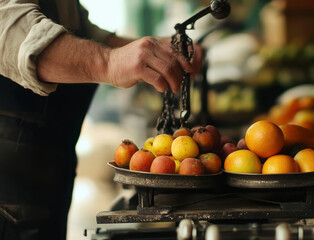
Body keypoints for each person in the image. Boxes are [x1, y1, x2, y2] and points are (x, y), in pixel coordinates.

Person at [0, 1, 203, 239]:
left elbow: (81, 33)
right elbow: (8, 28)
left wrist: (156, 52)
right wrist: (108, 62)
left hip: (49, 172)